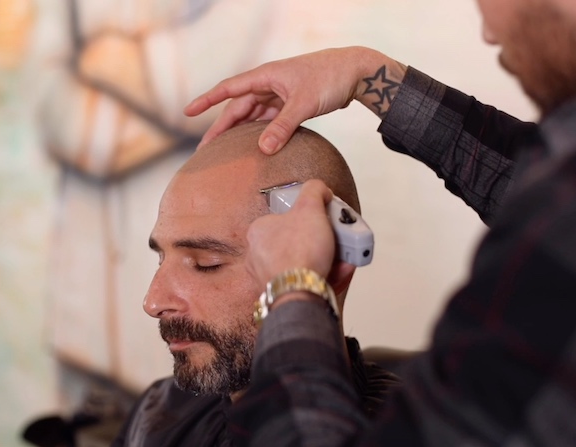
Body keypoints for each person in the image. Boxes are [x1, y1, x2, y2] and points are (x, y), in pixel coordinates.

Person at [183, 0, 576, 445]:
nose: (489, 33)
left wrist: (291, 290)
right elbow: (548, 174)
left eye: (205, 261)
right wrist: (369, 76)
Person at [110, 121, 401, 446]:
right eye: (162, 259)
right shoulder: (158, 413)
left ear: (328, 267)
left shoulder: (414, 430)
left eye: (206, 264)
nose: (153, 302)